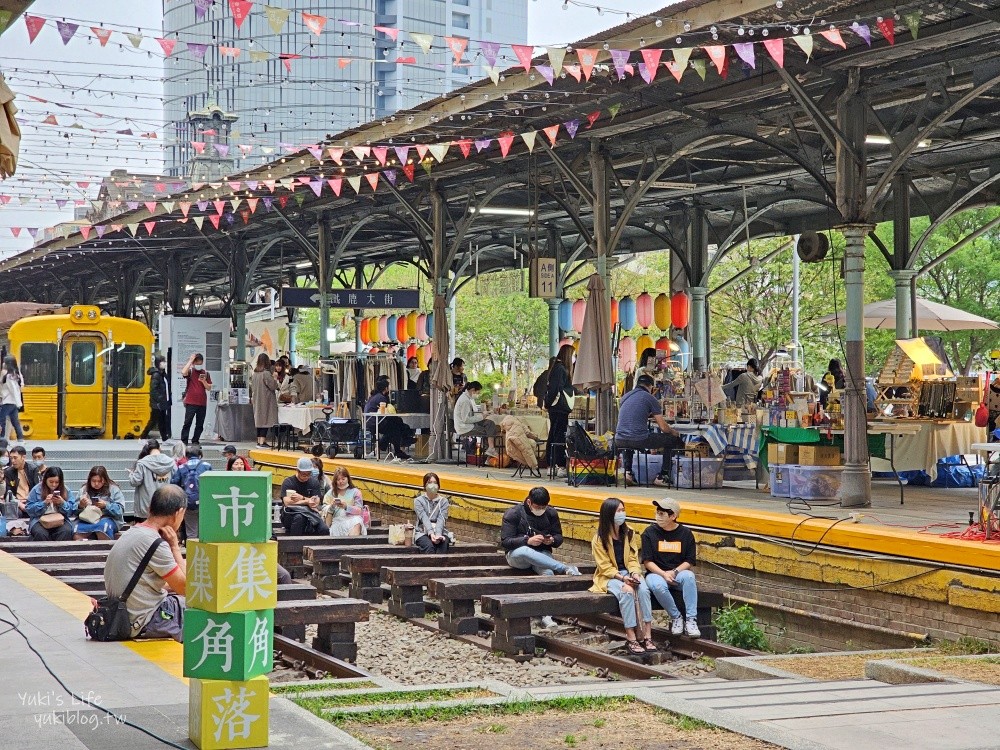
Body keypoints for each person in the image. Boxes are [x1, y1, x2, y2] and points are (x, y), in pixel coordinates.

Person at [103, 485, 187, 641]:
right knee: (197, 605)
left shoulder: (133, 532)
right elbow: (186, 588)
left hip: (121, 614)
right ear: (178, 513)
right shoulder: (155, 543)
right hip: (142, 620)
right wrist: (175, 547)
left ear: (150, 508)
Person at [590, 498, 655, 654]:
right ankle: (631, 637)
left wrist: (634, 573)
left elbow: (633, 557)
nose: (622, 514)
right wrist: (622, 578)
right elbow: (604, 566)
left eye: (623, 510)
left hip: (629, 572)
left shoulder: (629, 532)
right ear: (609, 514)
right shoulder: (599, 538)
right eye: (618, 511)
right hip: (610, 577)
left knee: (644, 591)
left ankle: (647, 635)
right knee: (627, 592)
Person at [641, 498, 700, 638]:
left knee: (689, 577)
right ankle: (676, 616)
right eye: (657, 513)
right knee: (658, 586)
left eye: (662, 514)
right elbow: (647, 561)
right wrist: (663, 574)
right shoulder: (649, 533)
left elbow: (689, 560)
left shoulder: (686, 534)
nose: (658, 516)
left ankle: (691, 620)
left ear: (673, 516)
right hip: (656, 573)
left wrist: (675, 572)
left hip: (678, 572)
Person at [615, 374, 683, 488]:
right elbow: (663, 427)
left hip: (619, 439)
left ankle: (628, 472)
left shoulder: (625, 397)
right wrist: (673, 432)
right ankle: (663, 476)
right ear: (650, 386)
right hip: (639, 439)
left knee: (628, 440)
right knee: (671, 440)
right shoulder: (649, 397)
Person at [501, 487, 581, 579]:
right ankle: (564, 568)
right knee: (524, 551)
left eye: (544, 507)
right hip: (517, 556)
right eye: (538, 507)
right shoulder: (513, 513)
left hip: (542, 552)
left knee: (548, 572)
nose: (541, 509)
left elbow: (558, 536)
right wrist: (527, 541)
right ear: (529, 502)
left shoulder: (551, 513)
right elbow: (505, 541)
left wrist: (552, 540)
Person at [544, 344, 575, 479]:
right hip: (559, 407)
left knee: (554, 434)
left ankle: (551, 465)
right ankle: (558, 465)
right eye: (573, 355)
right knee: (558, 436)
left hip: (556, 407)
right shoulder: (561, 369)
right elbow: (555, 389)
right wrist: (548, 403)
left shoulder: (556, 367)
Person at [128, 439, 177, 522]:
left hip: (146, 507)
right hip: (166, 504)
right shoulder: (171, 462)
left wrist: (131, 474)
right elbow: (176, 481)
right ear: (159, 448)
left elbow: (134, 482)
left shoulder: (142, 463)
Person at [364, 378, 412, 460]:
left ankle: (397, 448)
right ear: (386, 388)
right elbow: (386, 413)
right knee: (397, 427)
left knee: (397, 425)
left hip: (370, 421)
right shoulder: (381, 398)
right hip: (376, 422)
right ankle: (400, 445)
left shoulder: (374, 397)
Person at [278, 456, 328, 535]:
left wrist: (302, 498)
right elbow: (287, 502)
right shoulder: (288, 482)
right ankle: (294, 545)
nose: (306, 477)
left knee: (324, 529)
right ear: (298, 471)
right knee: (299, 518)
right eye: (304, 475)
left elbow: (316, 502)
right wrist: (307, 501)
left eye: (309, 474)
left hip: (310, 513)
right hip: (291, 513)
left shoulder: (314, 482)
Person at [26, 466, 77, 541]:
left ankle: (59, 552)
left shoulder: (65, 490)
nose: (53, 485)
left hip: (60, 519)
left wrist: (62, 503)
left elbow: (73, 509)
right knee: (40, 533)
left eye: (57, 482)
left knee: (66, 531)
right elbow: (29, 509)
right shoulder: (36, 489)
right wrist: (44, 503)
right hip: (40, 520)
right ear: (45, 479)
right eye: (51, 482)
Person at [74, 465, 126, 540]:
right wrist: (80, 506)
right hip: (87, 519)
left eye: (99, 481)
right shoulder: (83, 490)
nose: (96, 484)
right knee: (75, 530)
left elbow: (120, 510)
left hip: (107, 519)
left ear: (104, 480)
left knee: (103, 527)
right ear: (90, 480)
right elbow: (73, 511)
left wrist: (106, 506)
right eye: (94, 481)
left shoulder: (114, 490)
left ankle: (104, 549)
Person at [172, 445, 211, 541]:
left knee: (191, 531)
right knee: (205, 529)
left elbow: (174, 484)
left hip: (188, 502)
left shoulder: (181, 467)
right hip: (205, 502)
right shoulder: (207, 466)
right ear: (200, 455)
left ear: (186, 456)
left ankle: (192, 552)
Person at [454, 381, 499, 458]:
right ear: (473, 390)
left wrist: (484, 414)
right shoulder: (465, 400)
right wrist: (481, 417)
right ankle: (488, 453)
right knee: (488, 432)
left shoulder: (468, 398)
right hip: (465, 427)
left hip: (469, 423)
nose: (478, 395)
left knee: (490, 423)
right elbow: (466, 419)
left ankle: (490, 449)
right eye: (478, 392)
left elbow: (472, 414)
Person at [413, 472, 451, 553]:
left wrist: (438, 535)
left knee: (443, 545)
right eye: (429, 483)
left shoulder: (444, 501)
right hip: (422, 532)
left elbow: (441, 519)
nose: (432, 485)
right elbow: (424, 518)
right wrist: (431, 534)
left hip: (440, 531)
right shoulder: (418, 501)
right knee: (429, 546)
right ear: (425, 485)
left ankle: (442, 565)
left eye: (435, 483)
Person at [323, 466, 367, 537]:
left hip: (351, 519)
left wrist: (346, 507)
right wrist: (331, 507)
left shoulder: (356, 492)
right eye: (338, 480)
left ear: (348, 479)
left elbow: (359, 510)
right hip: (336, 521)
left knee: (357, 521)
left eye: (343, 479)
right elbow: (324, 508)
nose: (341, 481)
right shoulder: (330, 493)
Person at [180, 352, 212, 445]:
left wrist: (204, 381)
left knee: (199, 424)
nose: (199, 365)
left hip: (202, 403)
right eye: (197, 363)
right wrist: (190, 360)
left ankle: (195, 441)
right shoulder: (190, 372)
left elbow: (209, 388)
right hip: (191, 402)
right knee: (187, 422)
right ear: (194, 363)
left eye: (200, 363)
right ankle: (184, 441)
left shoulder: (206, 373)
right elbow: (183, 372)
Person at [251, 352, 279, 447]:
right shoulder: (266, 373)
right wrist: (275, 378)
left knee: (259, 420)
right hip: (266, 400)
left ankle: (259, 441)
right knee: (266, 420)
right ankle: (262, 442)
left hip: (257, 400)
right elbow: (273, 386)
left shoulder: (255, 373)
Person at [140, 354, 170, 440]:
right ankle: (142, 437)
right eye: (163, 362)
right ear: (158, 363)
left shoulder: (162, 374)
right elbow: (153, 390)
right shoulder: (156, 375)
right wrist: (160, 399)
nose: (165, 363)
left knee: (162, 421)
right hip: (157, 403)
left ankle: (164, 438)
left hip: (162, 402)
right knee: (153, 421)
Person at [4, 445, 39, 517]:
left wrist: (29, 502)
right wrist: (19, 504)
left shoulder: (33, 469)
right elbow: (8, 491)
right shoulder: (8, 472)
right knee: (16, 513)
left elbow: (37, 489)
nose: (13, 461)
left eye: (15, 458)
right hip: (16, 502)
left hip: (31, 501)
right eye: (11, 458)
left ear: (23, 457)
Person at [0, 354, 25, 442]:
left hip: (8, 401)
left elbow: (13, 390)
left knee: (1, 420)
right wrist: (18, 403)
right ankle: (20, 438)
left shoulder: (8, 376)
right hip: (13, 402)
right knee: (15, 421)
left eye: (5, 362)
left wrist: (18, 403)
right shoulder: (16, 374)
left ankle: (2, 439)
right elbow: (21, 385)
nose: (3, 364)